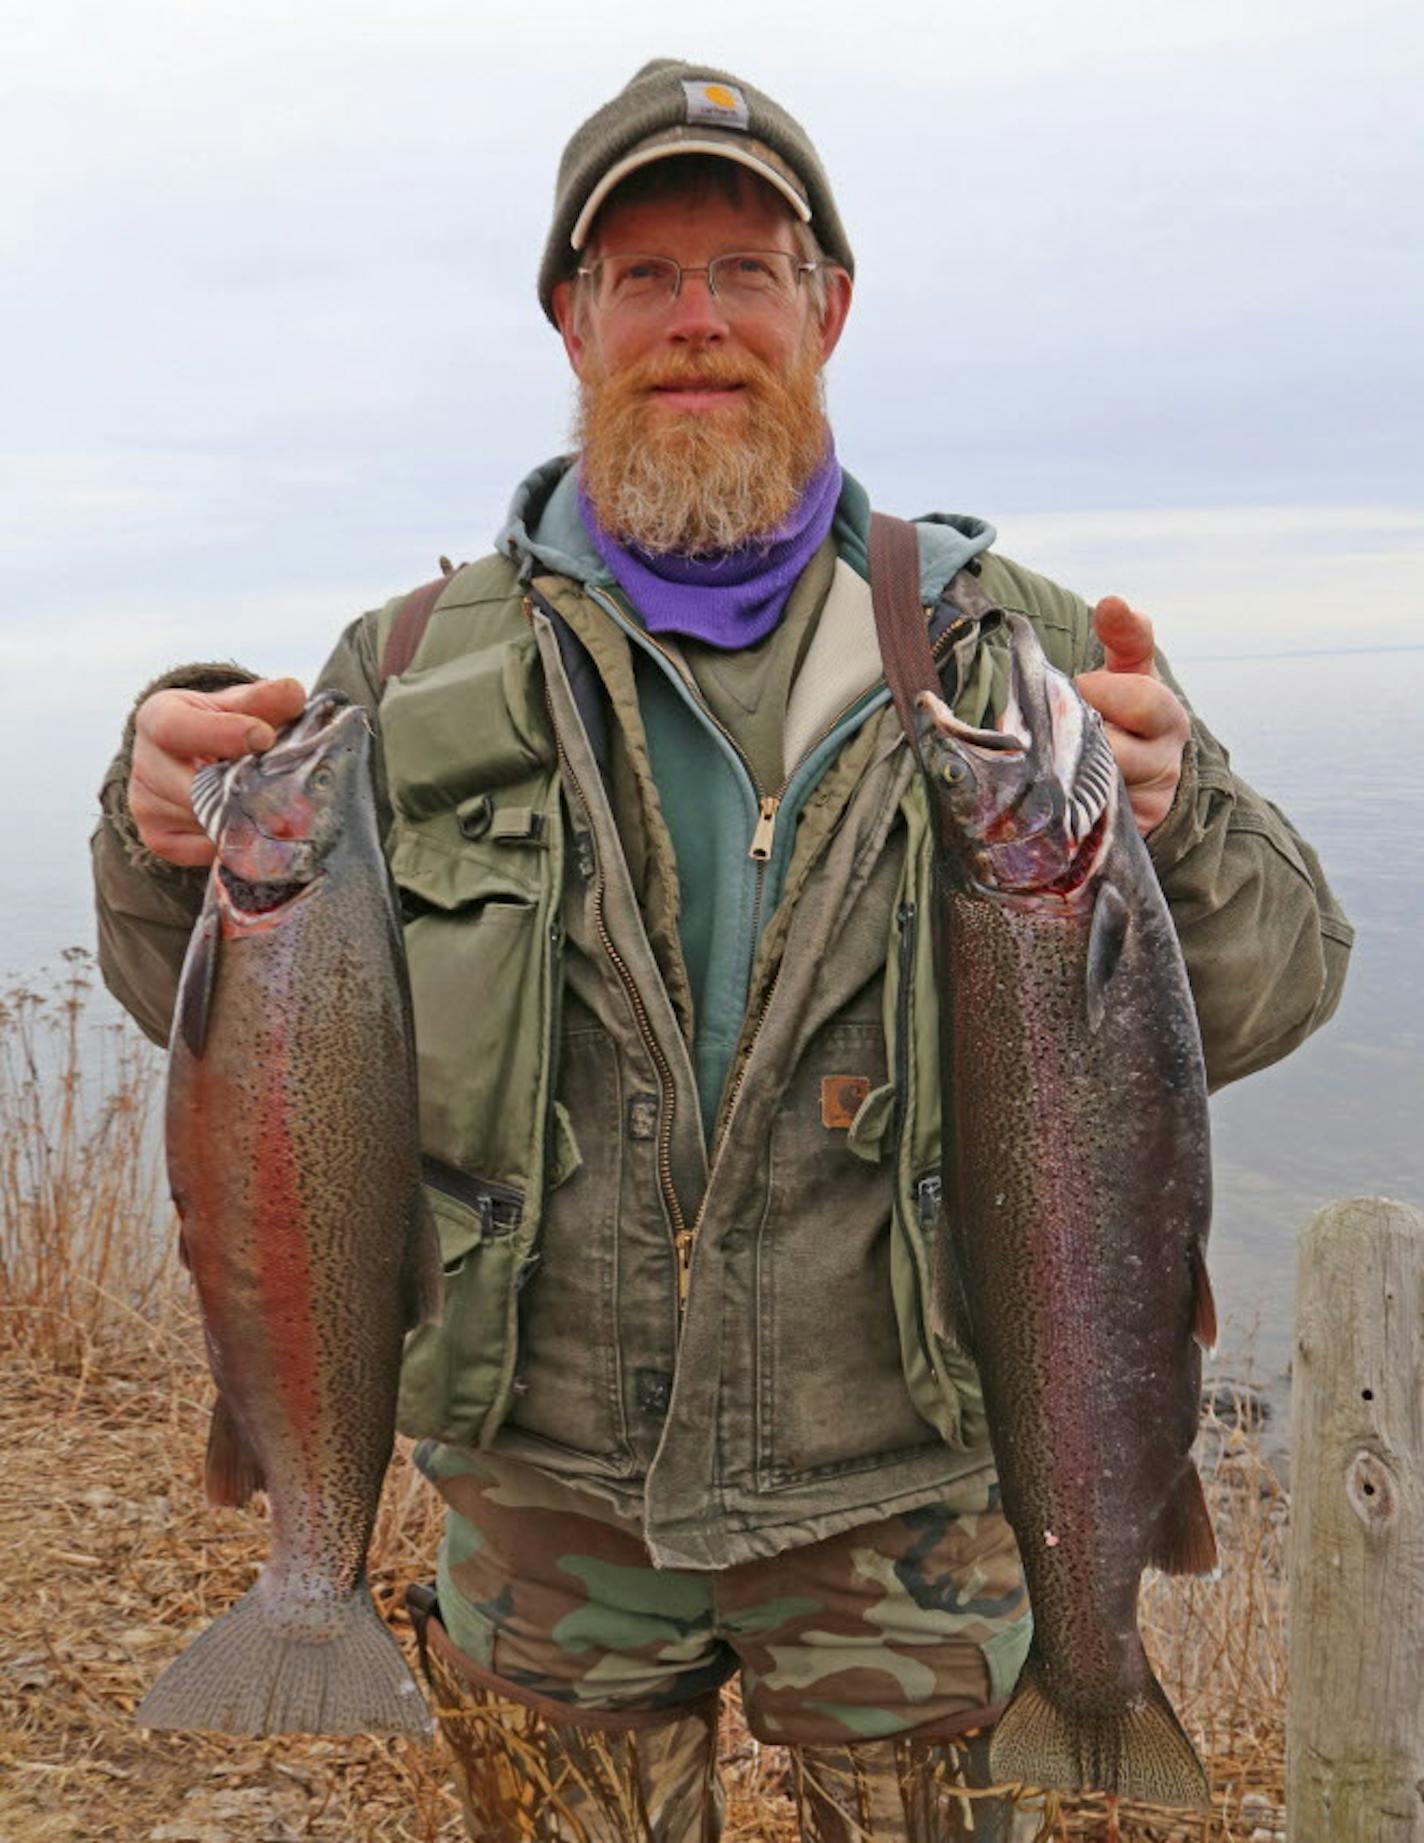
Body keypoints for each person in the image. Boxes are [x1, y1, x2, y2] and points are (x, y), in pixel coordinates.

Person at [92, 59, 1352, 1843]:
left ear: (828, 307)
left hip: (907, 1519)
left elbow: (1284, 982)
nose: (699, 322)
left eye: (746, 272)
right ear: (569, 319)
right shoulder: (395, 678)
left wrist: (1180, 814)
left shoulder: (1024, 659)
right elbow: (231, 1050)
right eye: (645, 276)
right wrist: (152, 840)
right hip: (542, 1523)